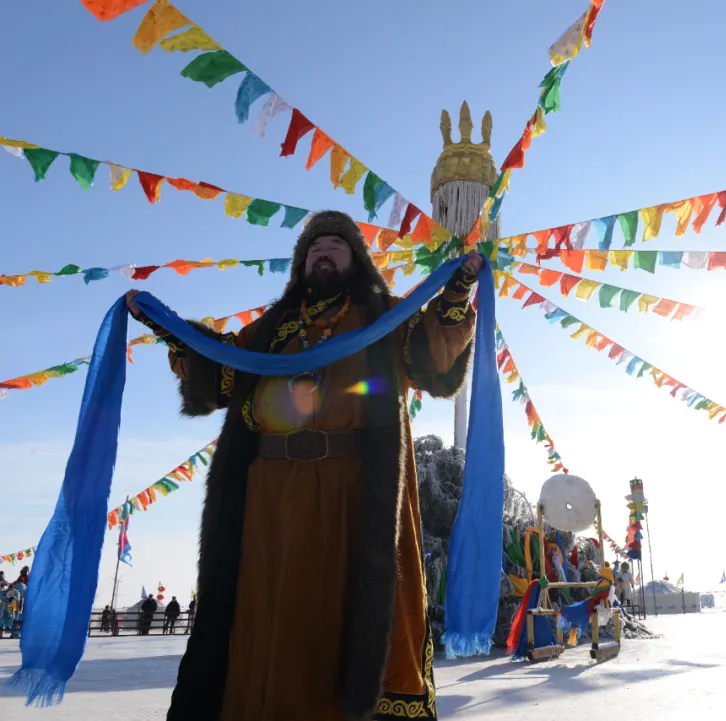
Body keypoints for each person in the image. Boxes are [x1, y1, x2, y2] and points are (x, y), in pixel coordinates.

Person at [127, 211, 480, 721]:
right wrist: (170, 327)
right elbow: (222, 370)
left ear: (356, 259)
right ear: (301, 263)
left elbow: (435, 363)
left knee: (342, 626)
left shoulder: (382, 316)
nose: (324, 251)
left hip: (353, 494)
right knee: (263, 624)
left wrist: (456, 292)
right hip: (268, 500)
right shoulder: (273, 329)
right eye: (315, 246)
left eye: (336, 244)